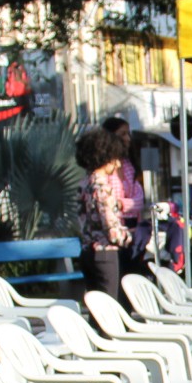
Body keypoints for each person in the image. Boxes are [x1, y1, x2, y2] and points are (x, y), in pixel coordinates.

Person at [76, 124, 132, 302]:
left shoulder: (84, 183)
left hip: (86, 252)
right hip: (105, 254)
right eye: (114, 159)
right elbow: (112, 230)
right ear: (105, 157)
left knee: (94, 305)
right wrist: (128, 237)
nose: (117, 164)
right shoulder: (102, 187)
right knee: (108, 305)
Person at [100, 116, 155, 280]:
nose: (127, 138)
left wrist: (121, 203)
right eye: (122, 134)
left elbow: (139, 200)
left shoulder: (128, 164)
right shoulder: (104, 168)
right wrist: (120, 204)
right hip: (113, 228)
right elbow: (107, 200)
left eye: (128, 134)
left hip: (133, 227)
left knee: (134, 273)